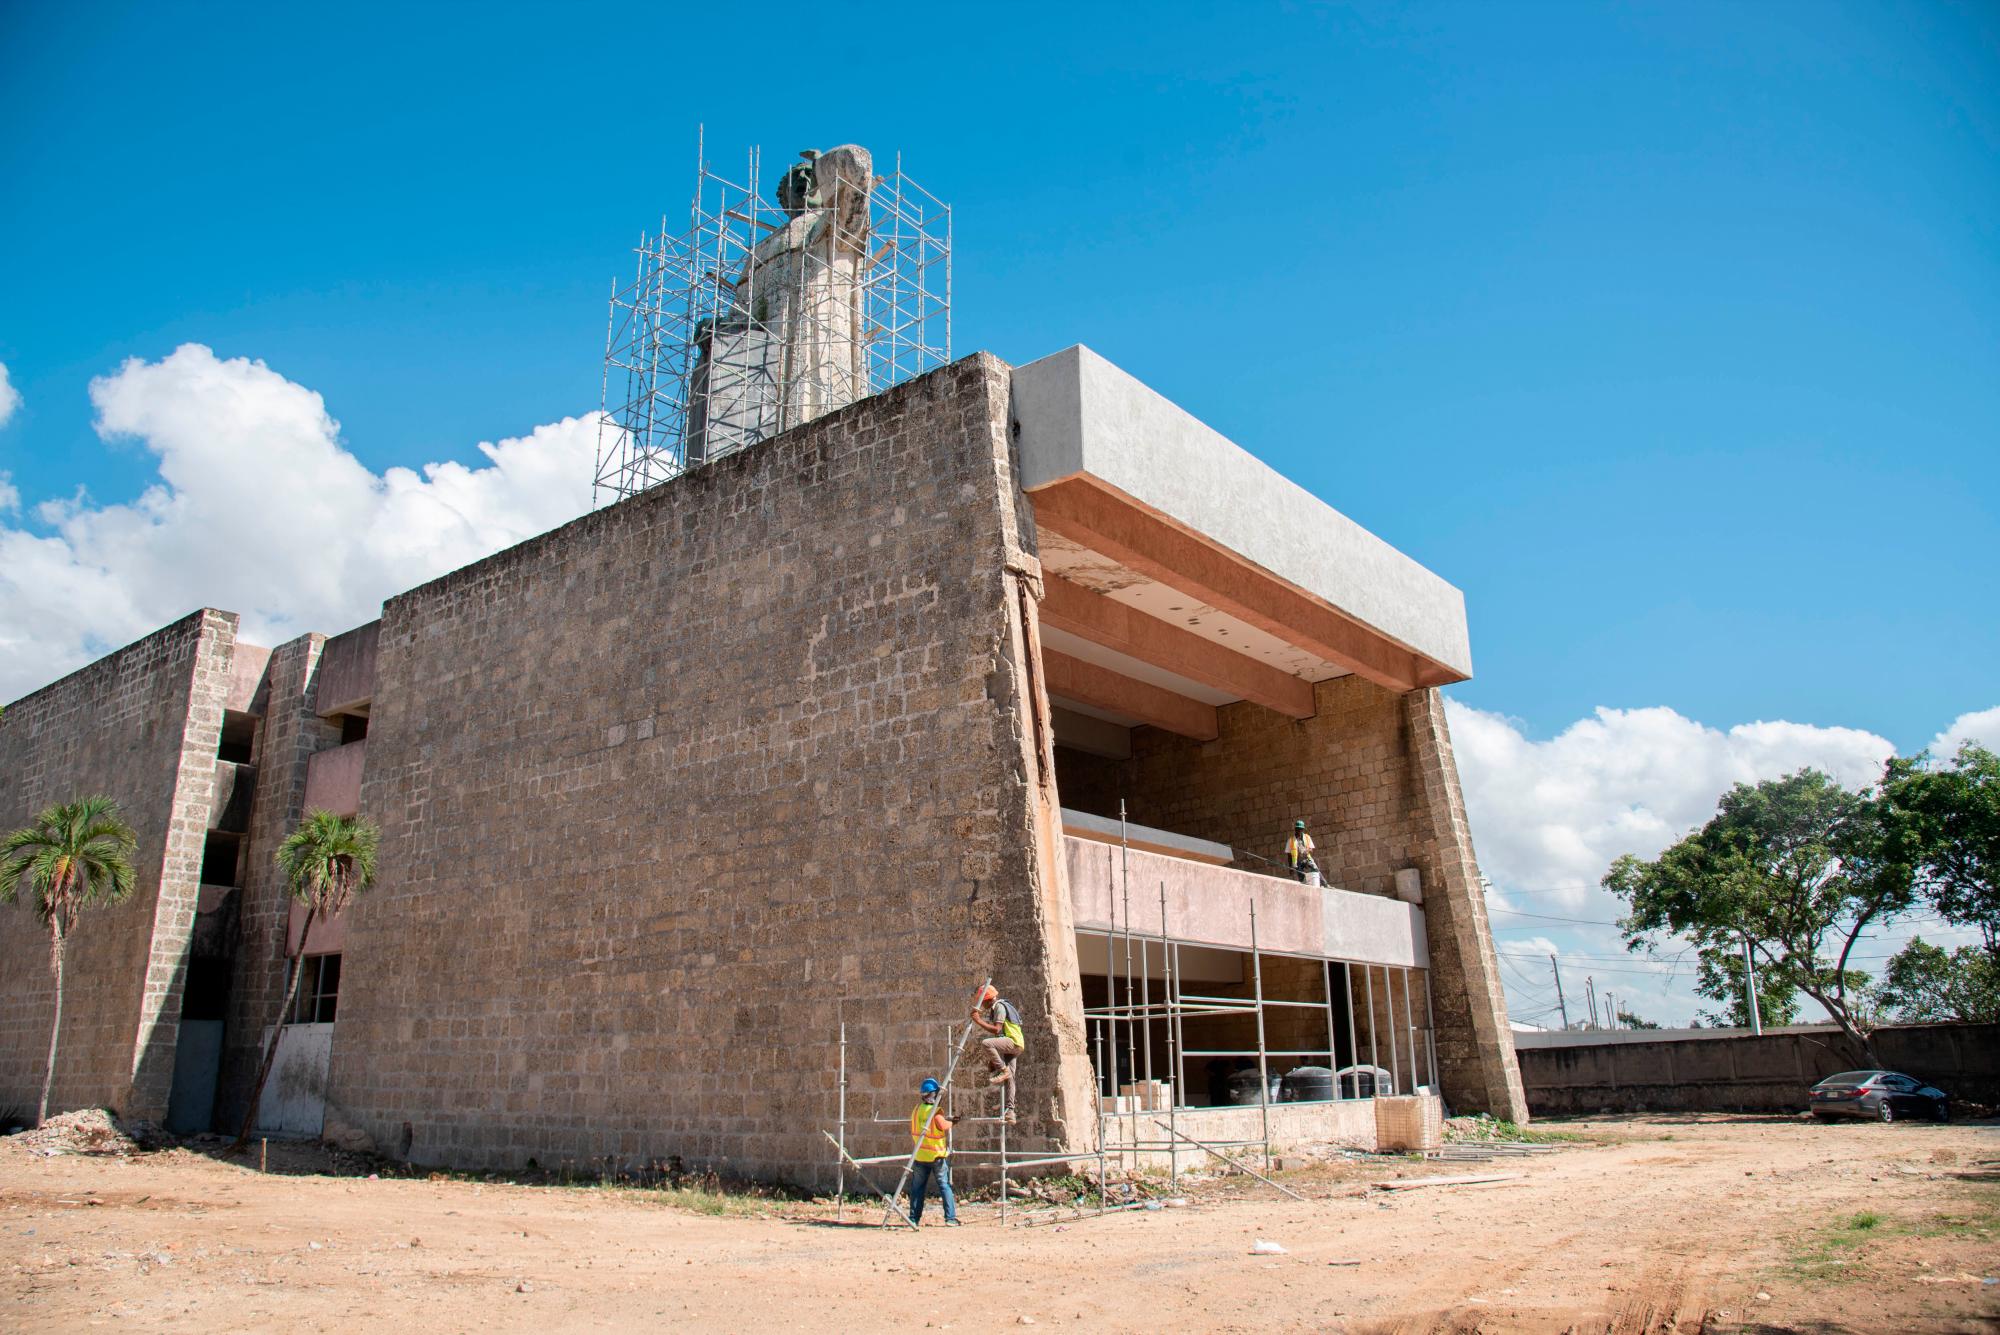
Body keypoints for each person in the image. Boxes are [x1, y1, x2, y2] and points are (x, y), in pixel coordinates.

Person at [906, 1076, 959, 1226]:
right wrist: (954, 1121)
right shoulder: (935, 1111)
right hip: (936, 1156)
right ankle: (950, 1218)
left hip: (920, 1155)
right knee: (944, 1186)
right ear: (934, 1094)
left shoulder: (916, 1111)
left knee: (917, 1188)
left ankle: (913, 1218)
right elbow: (943, 1125)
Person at [972, 985, 1025, 1086]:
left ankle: (1004, 1070)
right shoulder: (1001, 1006)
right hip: (1017, 1043)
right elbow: (1000, 1034)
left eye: (983, 1001)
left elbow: (997, 1029)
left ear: (989, 1000)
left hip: (1012, 1041)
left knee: (986, 1043)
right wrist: (993, 1061)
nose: (982, 1004)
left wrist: (978, 1020)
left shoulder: (999, 1007)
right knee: (1010, 1078)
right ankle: (1010, 1102)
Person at [1285, 819, 1321, 885]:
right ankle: (1306, 884)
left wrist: (1306, 851)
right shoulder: (1290, 841)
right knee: (1301, 877)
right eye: (1298, 829)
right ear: (1295, 829)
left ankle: (1325, 884)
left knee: (1316, 870)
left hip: (1307, 858)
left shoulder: (1307, 837)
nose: (1299, 831)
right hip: (1298, 861)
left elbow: (1311, 849)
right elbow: (1289, 855)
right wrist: (1291, 867)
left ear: (1303, 829)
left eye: (1301, 829)